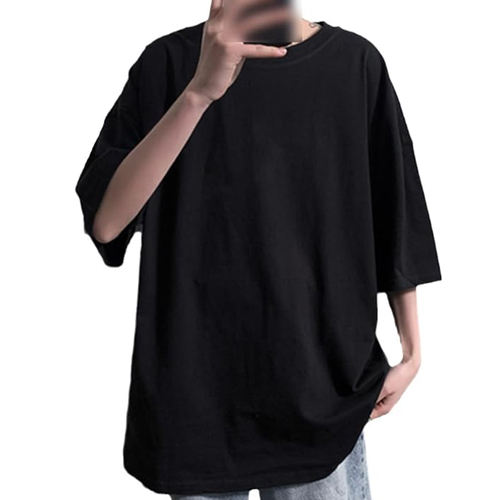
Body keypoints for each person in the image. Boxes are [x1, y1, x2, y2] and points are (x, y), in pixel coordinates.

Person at [75, 1, 442, 498]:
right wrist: (199, 93)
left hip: (321, 393)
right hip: (195, 396)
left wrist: (412, 351)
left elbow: (394, 212)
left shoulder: (355, 64)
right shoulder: (165, 64)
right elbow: (106, 223)